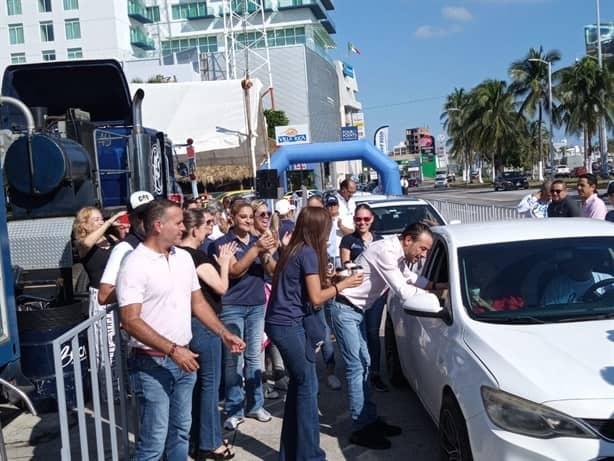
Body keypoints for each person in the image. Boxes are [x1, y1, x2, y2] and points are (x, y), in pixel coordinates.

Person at [116, 199, 245, 461]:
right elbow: (130, 320)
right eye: (177, 223)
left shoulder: (183, 258)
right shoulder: (135, 263)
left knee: (180, 432)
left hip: (185, 360)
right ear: (157, 225)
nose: (182, 228)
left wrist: (223, 333)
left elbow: (197, 303)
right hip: (152, 365)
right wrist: (173, 350)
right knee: (154, 441)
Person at [330, 223, 444, 449]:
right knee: (356, 367)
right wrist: (436, 298)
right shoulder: (386, 252)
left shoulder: (397, 251)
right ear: (408, 241)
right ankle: (359, 427)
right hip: (345, 309)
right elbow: (402, 290)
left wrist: (436, 286)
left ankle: (369, 419)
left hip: (356, 311)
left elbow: (409, 276)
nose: (424, 255)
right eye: (422, 249)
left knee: (365, 363)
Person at [265, 207, 363, 461]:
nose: (330, 234)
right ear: (319, 229)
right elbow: (317, 298)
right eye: (328, 228)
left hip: (284, 323)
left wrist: (330, 280)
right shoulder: (307, 253)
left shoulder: (295, 250)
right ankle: (310, 456)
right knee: (307, 388)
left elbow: (308, 291)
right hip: (288, 325)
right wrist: (342, 285)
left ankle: (293, 453)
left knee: (301, 387)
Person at [208, 200, 278, 430]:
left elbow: (270, 271)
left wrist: (268, 253)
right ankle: (234, 408)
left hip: (256, 303)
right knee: (234, 360)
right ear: (232, 217)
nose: (248, 220)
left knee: (254, 357)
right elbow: (235, 271)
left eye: (251, 217)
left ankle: (256, 404)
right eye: (243, 217)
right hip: (232, 305)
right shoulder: (222, 243)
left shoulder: (257, 242)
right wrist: (257, 249)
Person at [179, 209, 238, 461]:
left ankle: (200, 438)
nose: (210, 230)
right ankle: (210, 443)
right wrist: (224, 264)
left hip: (187, 325)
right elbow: (221, 287)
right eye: (207, 225)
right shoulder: (195, 256)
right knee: (209, 386)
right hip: (204, 325)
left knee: (197, 387)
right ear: (195, 230)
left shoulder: (175, 255)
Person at [73, 206, 126, 394]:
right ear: (84, 224)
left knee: (122, 342)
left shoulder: (110, 239)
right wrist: (110, 222)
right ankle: (109, 392)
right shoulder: (83, 243)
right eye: (95, 220)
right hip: (101, 296)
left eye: (101, 218)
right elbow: (87, 245)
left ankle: (123, 384)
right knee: (106, 344)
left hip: (120, 293)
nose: (101, 221)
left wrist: (120, 230)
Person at [339, 204, 388, 392]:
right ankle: (359, 371)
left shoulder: (380, 241)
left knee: (373, 333)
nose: (362, 223)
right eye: (358, 219)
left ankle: (375, 372)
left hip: (375, 296)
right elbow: (346, 265)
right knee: (359, 335)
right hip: (355, 296)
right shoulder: (348, 240)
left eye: (366, 219)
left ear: (372, 220)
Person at [98, 191, 155, 306]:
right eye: (142, 216)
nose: (148, 219)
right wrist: (146, 286)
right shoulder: (124, 248)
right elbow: (104, 295)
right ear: (132, 219)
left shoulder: (164, 243)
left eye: (153, 214)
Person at [542, 251, 612, 305]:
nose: (582, 262)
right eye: (578, 259)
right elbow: (549, 312)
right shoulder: (556, 285)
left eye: (587, 258)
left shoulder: (607, 280)